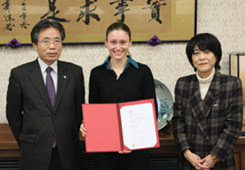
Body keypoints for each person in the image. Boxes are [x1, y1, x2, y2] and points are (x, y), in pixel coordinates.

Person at [6, 19, 85, 170]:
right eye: (46, 41)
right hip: (34, 151)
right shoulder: (20, 74)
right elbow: (13, 114)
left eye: (57, 41)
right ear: (35, 45)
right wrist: (26, 140)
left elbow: (78, 110)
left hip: (68, 151)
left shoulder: (74, 72)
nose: (52, 46)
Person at [80, 22, 157, 170]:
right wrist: (87, 125)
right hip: (105, 149)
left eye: (123, 42)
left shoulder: (143, 71)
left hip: (136, 148)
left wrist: (130, 142)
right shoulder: (97, 73)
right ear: (106, 42)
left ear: (130, 43)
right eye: (113, 42)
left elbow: (151, 112)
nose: (118, 47)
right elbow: (95, 111)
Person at [172, 33, 243, 170]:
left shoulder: (231, 84)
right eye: (196, 53)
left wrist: (214, 156)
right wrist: (187, 153)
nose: (202, 57)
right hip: (191, 161)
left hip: (220, 160)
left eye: (207, 52)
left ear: (216, 56)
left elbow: (234, 126)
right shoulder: (183, 84)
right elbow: (178, 122)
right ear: (191, 58)